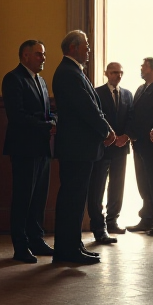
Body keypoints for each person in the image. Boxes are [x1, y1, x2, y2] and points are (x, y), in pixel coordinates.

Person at [51, 30, 114, 265]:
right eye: (85, 45)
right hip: (76, 148)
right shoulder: (68, 72)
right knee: (72, 199)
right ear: (73, 47)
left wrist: (104, 128)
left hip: (80, 148)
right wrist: (106, 130)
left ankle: (73, 245)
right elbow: (86, 108)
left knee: (76, 200)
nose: (89, 49)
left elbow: (92, 107)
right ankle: (66, 251)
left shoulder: (75, 71)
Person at [1, 40, 56, 263]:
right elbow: (17, 116)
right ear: (25, 56)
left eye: (43, 54)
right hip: (24, 148)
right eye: (38, 54)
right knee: (23, 198)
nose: (43, 58)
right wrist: (47, 125)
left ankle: (36, 239)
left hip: (42, 148)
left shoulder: (40, 80)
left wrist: (54, 120)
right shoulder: (13, 79)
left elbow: (47, 111)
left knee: (39, 197)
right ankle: (20, 246)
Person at [87, 62, 133, 244]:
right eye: (114, 72)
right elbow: (97, 117)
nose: (118, 75)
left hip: (121, 147)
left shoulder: (128, 94)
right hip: (103, 146)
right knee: (98, 186)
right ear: (106, 73)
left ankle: (112, 220)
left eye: (121, 72)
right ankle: (98, 224)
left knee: (117, 185)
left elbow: (132, 117)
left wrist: (126, 136)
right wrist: (109, 136)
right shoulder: (97, 93)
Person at [125, 58, 153, 233]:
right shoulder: (141, 89)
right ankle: (148, 218)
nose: (141, 69)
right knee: (143, 182)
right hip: (139, 144)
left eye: (144, 66)